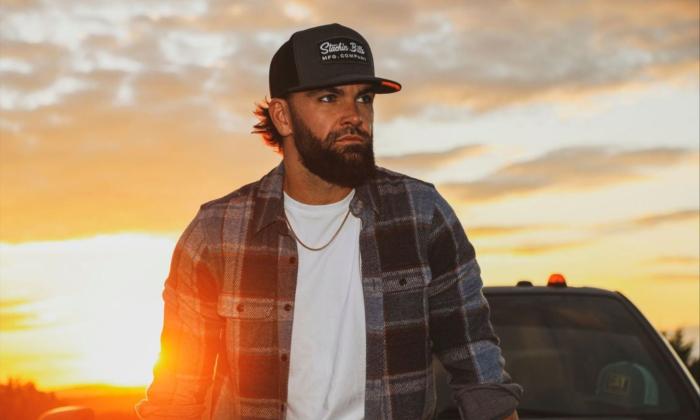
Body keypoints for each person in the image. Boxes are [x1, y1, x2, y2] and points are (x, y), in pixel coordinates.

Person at [135, 23, 522, 420]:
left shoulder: (421, 216)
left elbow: (478, 370)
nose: (354, 116)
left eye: (364, 98)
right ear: (282, 117)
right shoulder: (216, 235)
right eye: (328, 97)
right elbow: (179, 393)